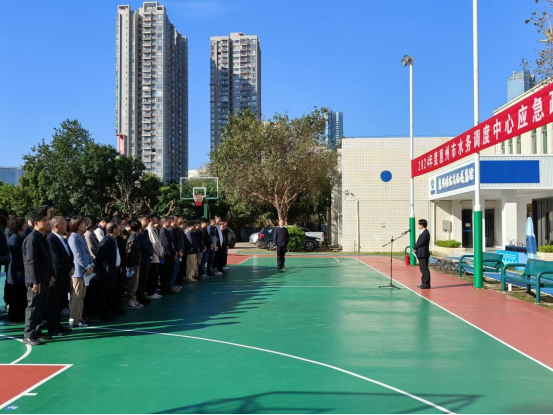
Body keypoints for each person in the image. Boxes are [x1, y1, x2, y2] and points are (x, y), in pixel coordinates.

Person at [22, 207, 55, 346]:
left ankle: (37, 330)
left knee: (41, 307)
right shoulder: (32, 239)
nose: (48, 222)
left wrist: (52, 274)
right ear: (36, 222)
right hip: (36, 280)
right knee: (33, 306)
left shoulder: (42, 237)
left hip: (45, 278)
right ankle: (28, 335)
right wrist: (35, 281)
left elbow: (48, 258)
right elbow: (30, 262)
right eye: (45, 220)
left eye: (48, 220)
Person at [46, 217, 74, 336]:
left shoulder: (62, 238)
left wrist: (72, 266)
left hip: (65, 276)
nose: (66, 226)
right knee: (54, 303)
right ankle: (53, 327)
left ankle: (58, 325)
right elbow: (56, 259)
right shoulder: (51, 239)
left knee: (60, 302)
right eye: (64, 224)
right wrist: (68, 269)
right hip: (57, 276)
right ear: (57, 226)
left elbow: (68, 255)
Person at [68, 216, 95, 328]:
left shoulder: (82, 237)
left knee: (81, 296)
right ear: (76, 225)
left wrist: (91, 265)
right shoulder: (73, 237)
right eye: (82, 223)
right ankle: (73, 320)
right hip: (78, 271)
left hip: (85, 271)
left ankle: (79, 317)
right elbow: (77, 254)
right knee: (76, 296)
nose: (85, 225)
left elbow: (87, 253)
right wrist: (86, 266)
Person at [96, 222, 121, 321]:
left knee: (111, 292)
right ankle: (105, 313)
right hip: (107, 272)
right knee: (106, 293)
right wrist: (106, 268)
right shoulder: (106, 241)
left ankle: (110, 311)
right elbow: (100, 257)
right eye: (118, 228)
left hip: (113, 270)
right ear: (114, 230)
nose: (119, 230)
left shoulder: (113, 240)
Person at [7, 218, 27, 322]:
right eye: (23, 224)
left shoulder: (19, 237)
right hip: (16, 271)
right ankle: (15, 315)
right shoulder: (15, 238)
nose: (25, 225)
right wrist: (20, 270)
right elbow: (16, 257)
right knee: (16, 293)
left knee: (20, 292)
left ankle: (19, 314)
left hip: (19, 269)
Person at [137, 215, 155, 306]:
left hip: (147, 258)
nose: (147, 221)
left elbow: (149, 243)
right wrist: (151, 252)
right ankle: (140, 297)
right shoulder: (139, 233)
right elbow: (143, 245)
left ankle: (143, 296)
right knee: (141, 279)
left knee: (144, 279)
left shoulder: (145, 231)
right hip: (142, 258)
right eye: (145, 220)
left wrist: (152, 252)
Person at [126, 220, 142, 310]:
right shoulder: (132, 236)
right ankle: (131, 300)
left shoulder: (134, 236)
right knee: (133, 282)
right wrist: (131, 264)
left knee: (135, 282)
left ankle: (133, 299)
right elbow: (130, 250)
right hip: (133, 264)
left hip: (135, 262)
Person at [146, 214, 163, 300]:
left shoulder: (154, 229)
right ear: (151, 219)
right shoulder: (149, 229)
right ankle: (150, 292)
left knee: (155, 275)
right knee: (152, 275)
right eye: (155, 218)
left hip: (157, 255)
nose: (157, 219)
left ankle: (153, 291)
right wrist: (160, 252)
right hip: (154, 255)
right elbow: (154, 243)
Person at [160, 217, 177, 295]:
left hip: (170, 254)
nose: (170, 223)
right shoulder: (163, 231)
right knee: (165, 273)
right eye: (169, 221)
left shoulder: (167, 231)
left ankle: (167, 288)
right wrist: (173, 252)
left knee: (169, 272)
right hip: (167, 255)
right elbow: (166, 244)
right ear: (165, 222)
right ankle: (164, 289)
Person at [414, 219, 432, 290]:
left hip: (423, 253)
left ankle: (426, 284)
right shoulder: (423, 232)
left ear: (422, 225)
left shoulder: (425, 233)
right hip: (421, 253)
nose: (418, 225)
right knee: (422, 269)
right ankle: (423, 282)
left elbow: (421, 242)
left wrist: (415, 247)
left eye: (419, 224)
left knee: (424, 269)